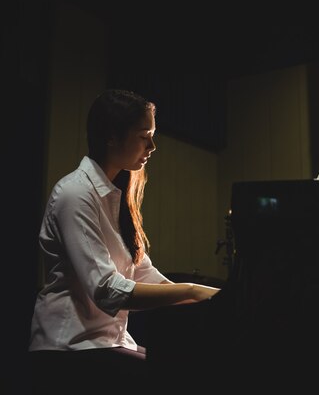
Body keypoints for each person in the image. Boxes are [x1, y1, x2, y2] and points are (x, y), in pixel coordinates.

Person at [28, 89, 221, 394]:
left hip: (105, 344)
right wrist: (192, 291)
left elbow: (146, 276)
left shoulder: (115, 198)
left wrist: (219, 296)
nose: (153, 146)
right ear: (111, 137)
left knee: (193, 368)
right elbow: (107, 291)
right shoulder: (75, 194)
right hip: (70, 348)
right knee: (182, 376)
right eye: (145, 136)